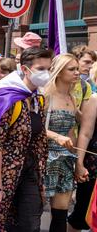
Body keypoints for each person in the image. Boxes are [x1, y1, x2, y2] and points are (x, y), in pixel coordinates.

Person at [0, 47, 53, 232]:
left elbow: (39, 140)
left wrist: (41, 179)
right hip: (5, 173)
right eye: (41, 69)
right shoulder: (9, 99)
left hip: (30, 172)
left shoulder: (38, 100)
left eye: (48, 68)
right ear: (24, 69)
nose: (46, 74)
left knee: (31, 224)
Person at [43, 54, 79, 232]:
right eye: (71, 69)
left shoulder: (72, 98)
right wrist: (56, 136)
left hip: (65, 161)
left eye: (77, 68)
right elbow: (33, 128)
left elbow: (72, 133)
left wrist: (78, 162)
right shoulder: (45, 94)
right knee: (33, 211)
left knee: (60, 214)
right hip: (45, 158)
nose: (77, 72)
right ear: (59, 71)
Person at [68, 92, 97, 231]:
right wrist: (78, 164)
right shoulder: (95, 99)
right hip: (93, 166)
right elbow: (85, 134)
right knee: (82, 214)